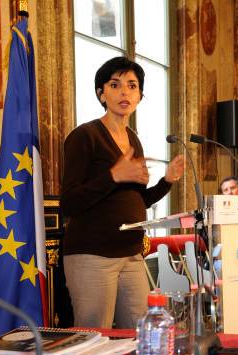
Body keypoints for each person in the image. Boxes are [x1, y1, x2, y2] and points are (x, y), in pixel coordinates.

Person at [61, 57, 184, 329]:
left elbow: (135, 202)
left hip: (130, 254)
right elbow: (68, 203)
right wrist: (113, 176)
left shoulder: (133, 139)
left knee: (139, 335)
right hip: (92, 255)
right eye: (115, 85)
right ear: (101, 93)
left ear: (140, 95)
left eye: (132, 85)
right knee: (96, 337)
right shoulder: (85, 136)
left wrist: (167, 181)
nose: (125, 92)